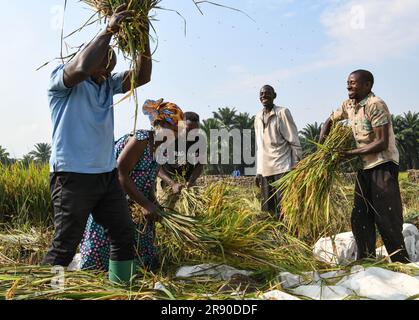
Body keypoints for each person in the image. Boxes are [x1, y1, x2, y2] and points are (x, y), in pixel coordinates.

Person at [42, 4, 152, 284]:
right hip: (73, 176)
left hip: (105, 176)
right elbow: (80, 67)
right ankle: (49, 289)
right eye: (104, 61)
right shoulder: (62, 80)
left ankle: (119, 287)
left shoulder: (106, 84)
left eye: (110, 64)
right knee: (65, 245)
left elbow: (142, 76)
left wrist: (143, 32)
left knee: (124, 234)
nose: (108, 67)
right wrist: (109, 29)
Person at [80, 99, 184, 271]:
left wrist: (152, 202)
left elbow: (149, 178)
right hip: (113, 199)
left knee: (141, 257)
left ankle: (132, 275)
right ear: (159, 124)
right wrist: (144, 203)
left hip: (135, 200)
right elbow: (120, 173)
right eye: (172, 130)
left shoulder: (162, 150)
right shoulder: (141, 138)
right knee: (104, 253)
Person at [319, 70, 409, 263]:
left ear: (367, 85)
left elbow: (382, 142)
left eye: (353, 83)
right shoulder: (349, 104)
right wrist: (323, 146)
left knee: (386, 216)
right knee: (360, 216)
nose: (348, 86)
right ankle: (366, 260)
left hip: (382, 165)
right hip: (365, 167)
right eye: (347, 83)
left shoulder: (375, 105)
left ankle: (401, 262)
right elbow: (329, 120)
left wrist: (348, 155)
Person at [254, 85, 303, 219]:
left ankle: (289, 236)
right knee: (268, 210)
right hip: (265, 171)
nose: (264, 96)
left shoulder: (282, 113)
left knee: (285, 209)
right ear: (259, 98)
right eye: (262, 94)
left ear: (274, 95)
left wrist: (296, 166)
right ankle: (274, 237)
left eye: (267, 93)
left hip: (282, 168)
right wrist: (258, 171)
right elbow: (260, 147)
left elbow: (294, 141)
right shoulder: (257, 117)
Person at [157, 112, 204, 209]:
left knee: (195, 208)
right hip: (167, 178)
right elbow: (156, 166)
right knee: (165, 209)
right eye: (189, 129)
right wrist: (172, 183)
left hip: (187, 179)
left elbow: (200, 165)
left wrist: (191, 181)